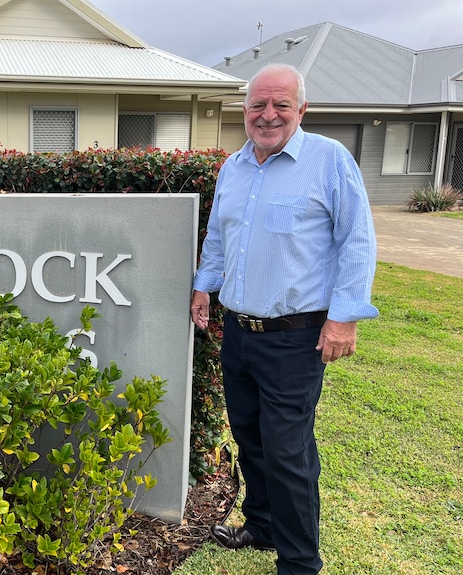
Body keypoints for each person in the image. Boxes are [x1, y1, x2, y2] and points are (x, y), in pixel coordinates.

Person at [190, 63, 378, 575]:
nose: (268, 115)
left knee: (287, 450)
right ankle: (263, 524)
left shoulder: (329, 161)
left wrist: (344, 319)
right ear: (244, 109)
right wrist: (204, 286)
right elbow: (220, 238)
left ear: (301, 109)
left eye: (280, 105)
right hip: (240, 334)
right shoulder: (234, 167)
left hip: (295, 339)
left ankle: (299, 562)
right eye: (258, 105)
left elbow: (356, 242)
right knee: (249, 435)